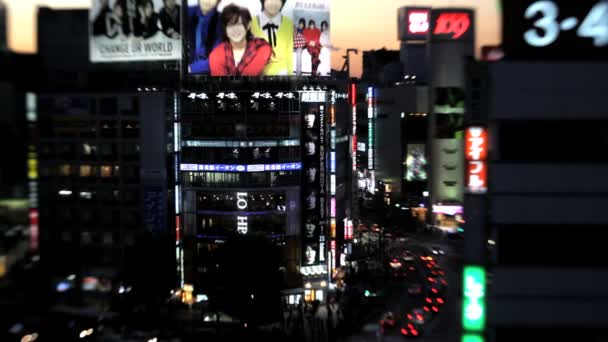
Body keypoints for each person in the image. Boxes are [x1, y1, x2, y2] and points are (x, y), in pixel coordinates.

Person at [209, 4, 272, 76]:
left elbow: (248, 76)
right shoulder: (216, 55)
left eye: (239, 24)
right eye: (230, 25)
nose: (235, 30)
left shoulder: (261, 48)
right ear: (225, 29)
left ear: (248, 25)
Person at [251, 0, 294, 75]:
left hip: (281, 75)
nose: (274, 3)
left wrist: (290, 77)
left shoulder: (288, 23)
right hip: (257, 76)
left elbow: (289, 52)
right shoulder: (251, 23)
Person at [188, 0, 222, 74]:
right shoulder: (187, 12)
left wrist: (190, 68)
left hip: (205, 71)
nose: (207, 1)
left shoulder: (221, 21)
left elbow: (217, 58)